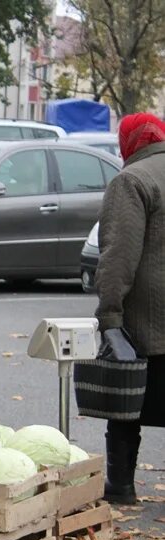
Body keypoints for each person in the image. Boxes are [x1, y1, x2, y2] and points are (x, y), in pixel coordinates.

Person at [94, 113, 165, 505]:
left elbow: (118, 256)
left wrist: (109, 316)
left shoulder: (132, 181)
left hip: (148, 318)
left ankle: (120, 489)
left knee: (124, 409)